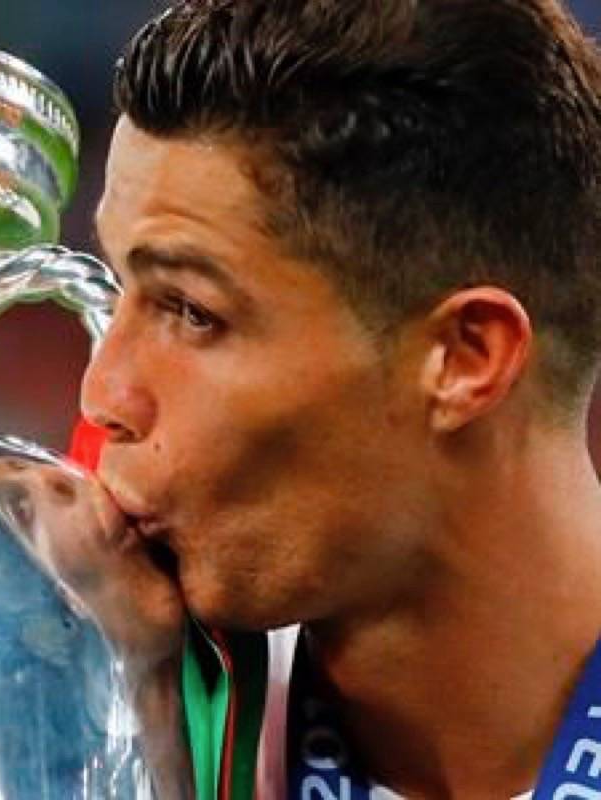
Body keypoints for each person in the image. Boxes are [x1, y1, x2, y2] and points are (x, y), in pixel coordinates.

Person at [66, 0, 601, 797]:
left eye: (192, 311)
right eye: (119, 291)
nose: (102, 393)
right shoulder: (92, 735)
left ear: (465, 358)